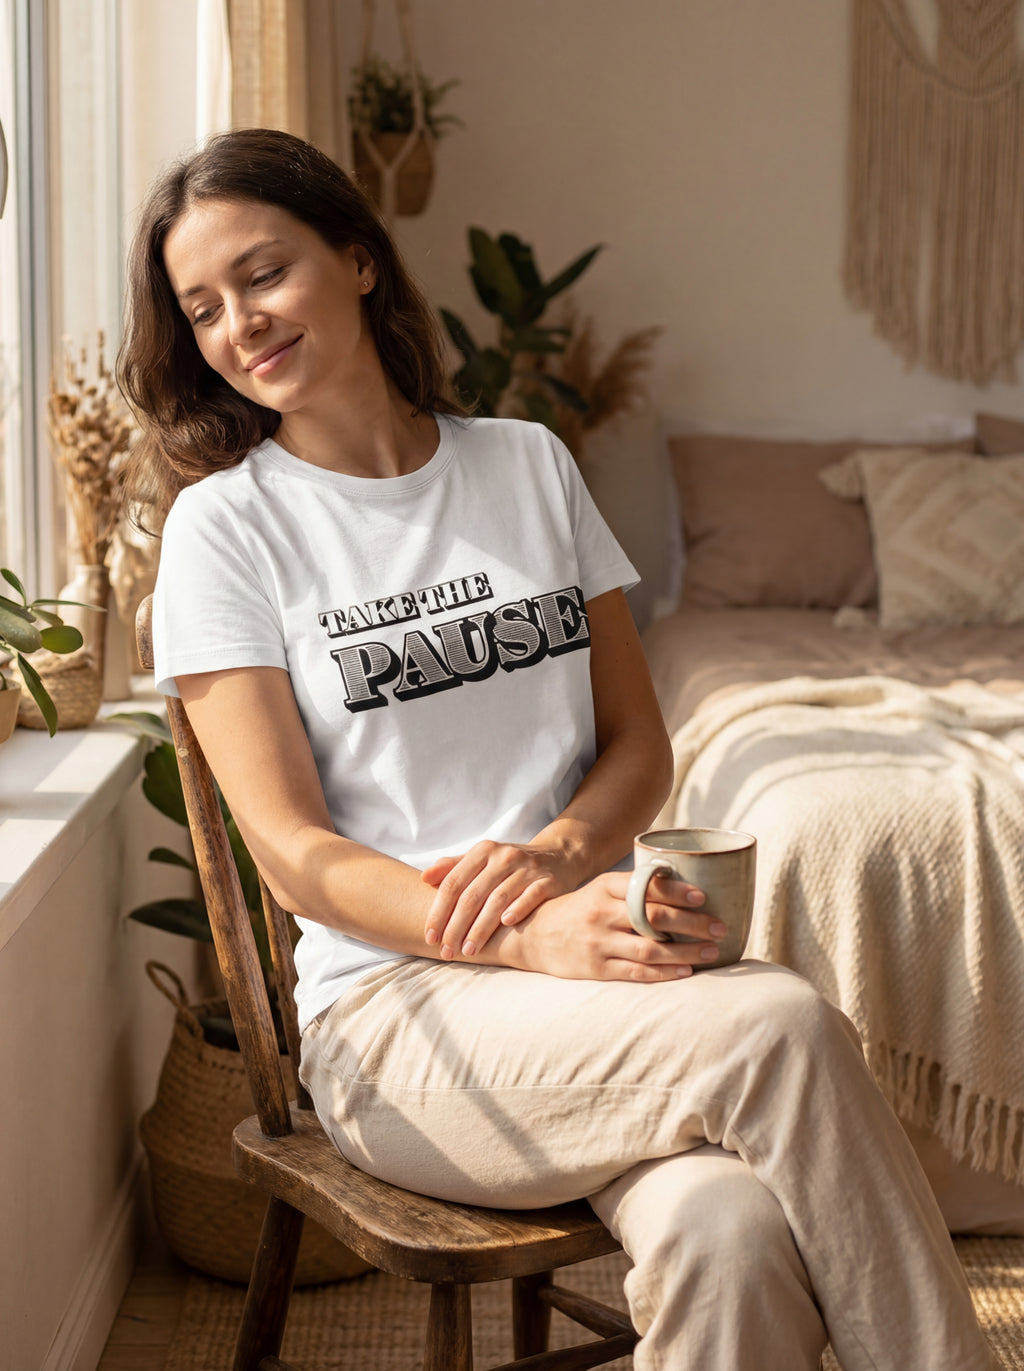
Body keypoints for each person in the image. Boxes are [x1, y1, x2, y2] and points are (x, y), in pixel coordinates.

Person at [118, 127, 996, 1371]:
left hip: (594, 974)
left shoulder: (525, 463)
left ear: (358, 260)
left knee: (729, 1234)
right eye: (202, 308)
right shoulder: (229, 531)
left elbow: (637, 741)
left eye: (263, 274)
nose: (238, 324)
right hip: (399, 1017)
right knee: (782, 1027)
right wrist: (519, 933)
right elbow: (296, 856)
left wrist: (565, 858)